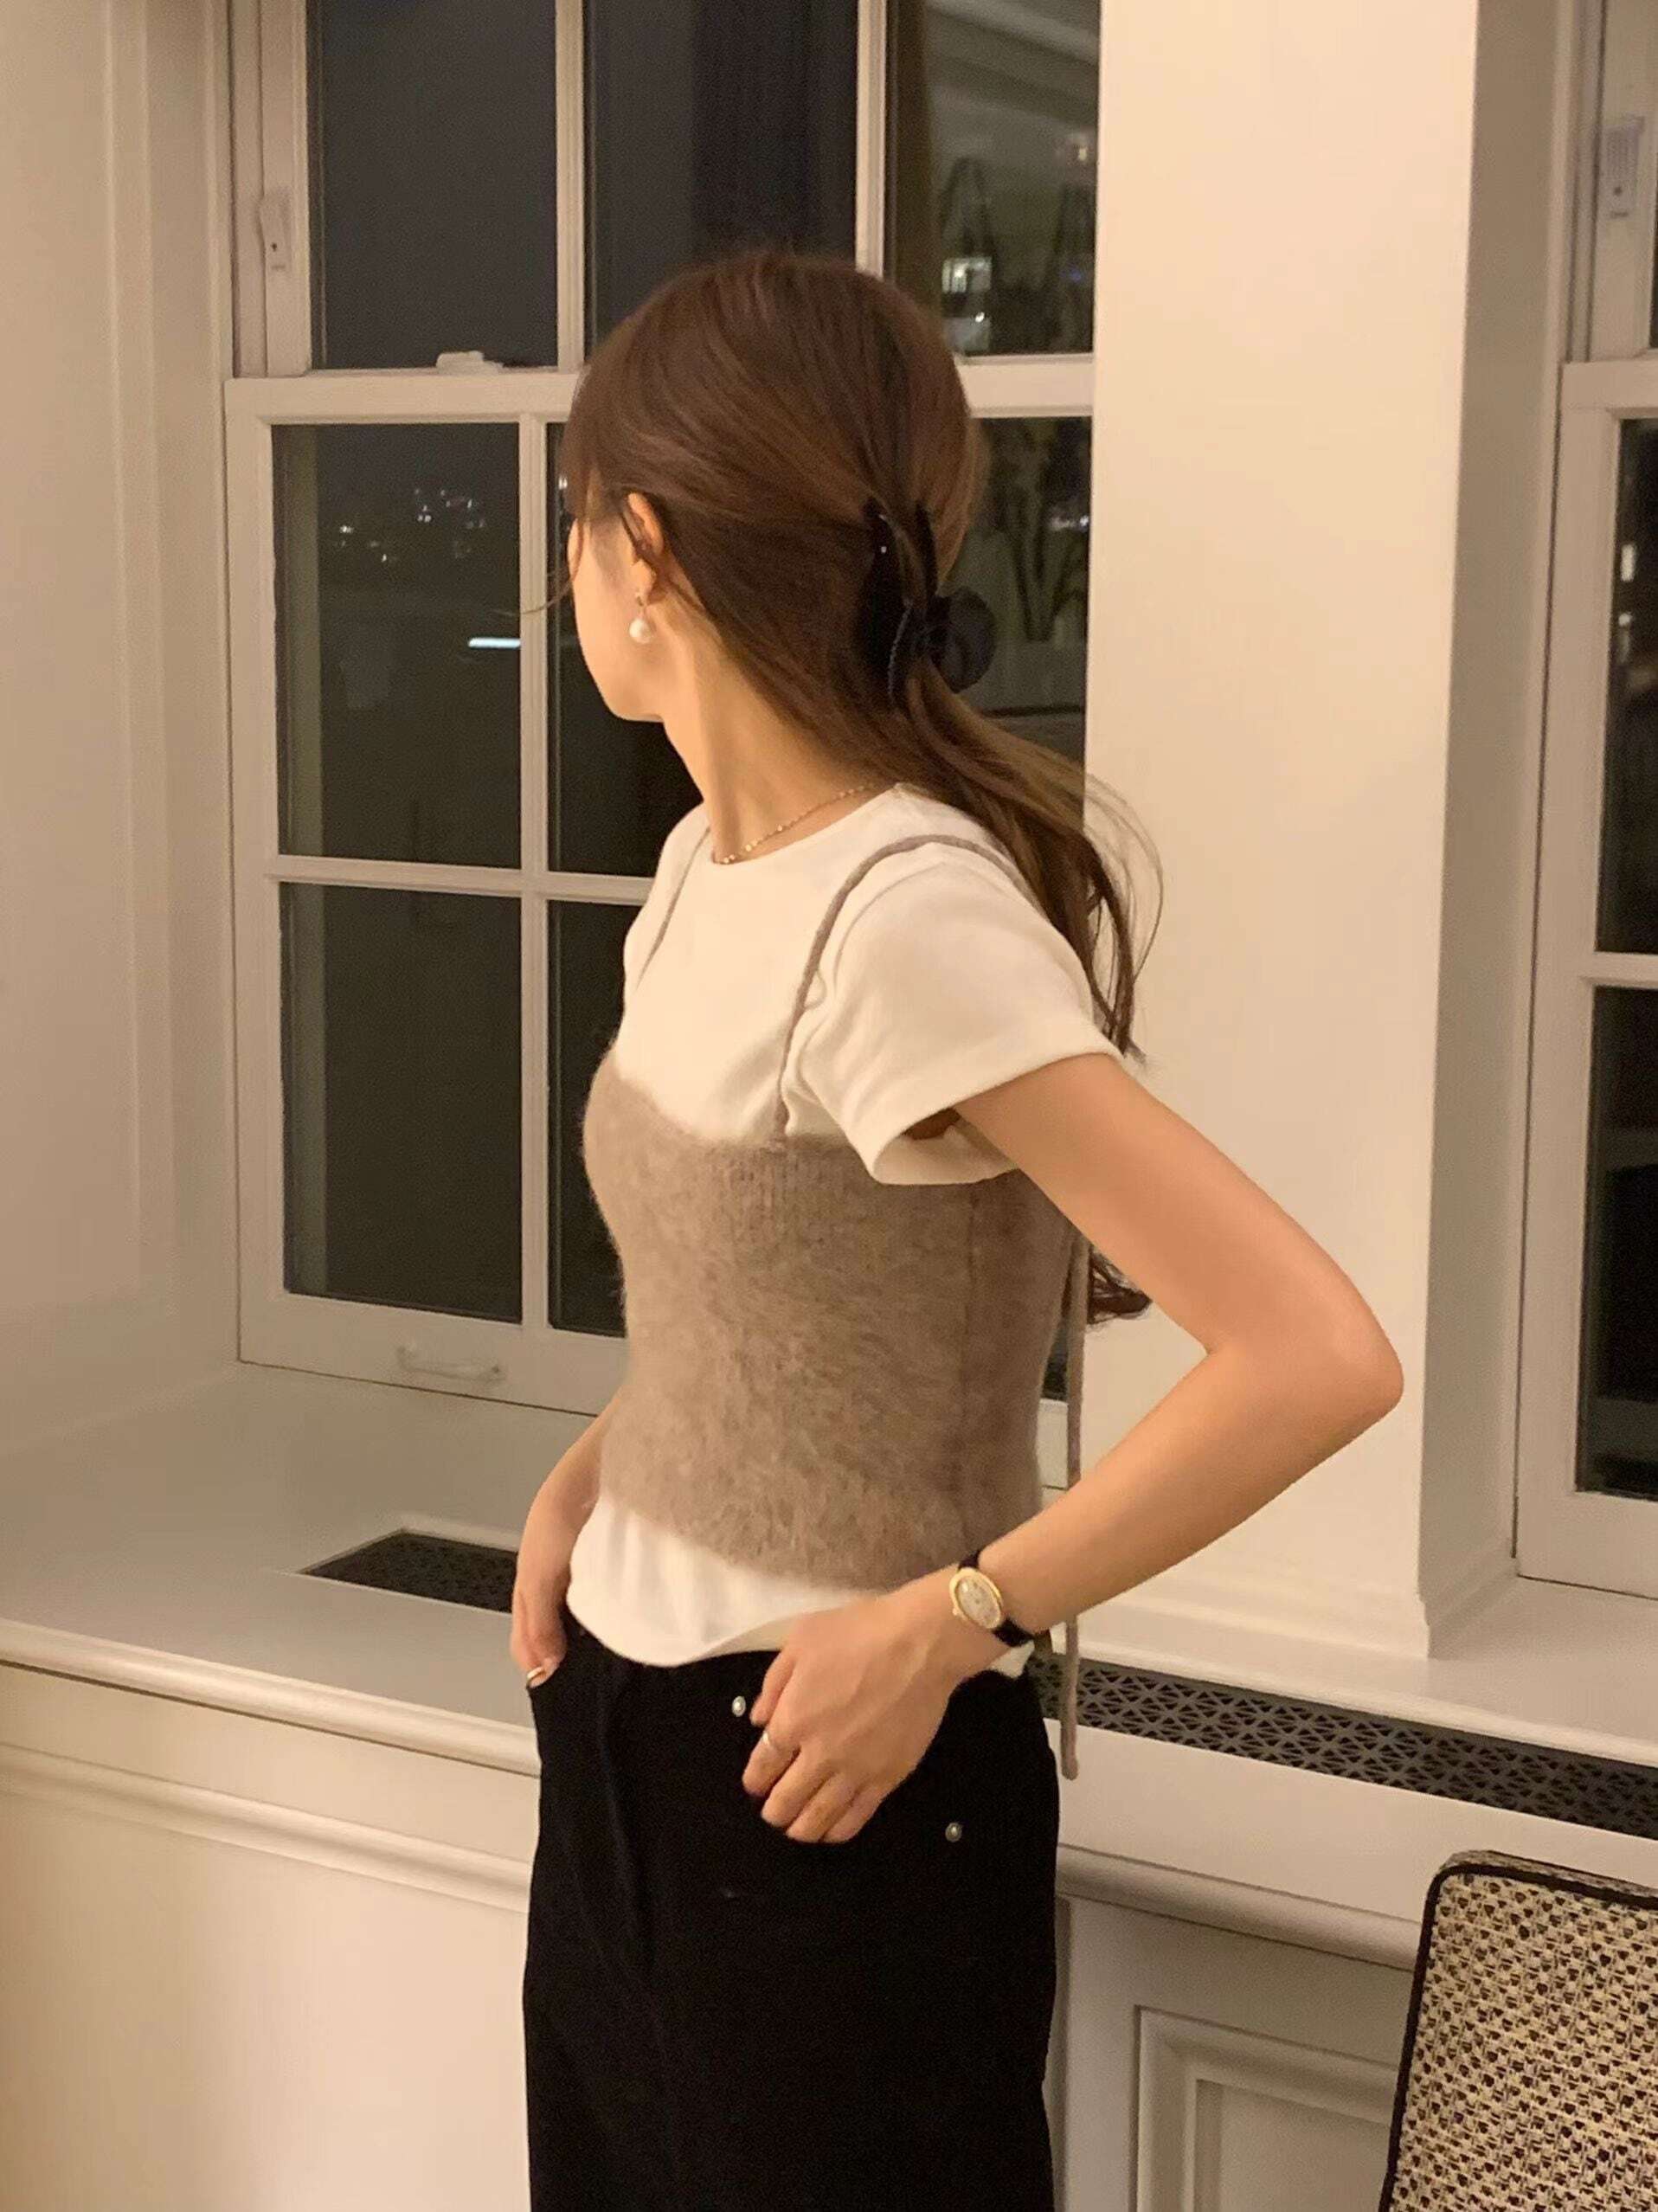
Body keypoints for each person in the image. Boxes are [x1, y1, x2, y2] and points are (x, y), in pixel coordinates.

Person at [511, 245, 1403, 2212]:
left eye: (571, 525)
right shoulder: (702, 870)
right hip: (626, 1763)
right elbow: (781, 1288)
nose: (566, 572)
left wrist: (957, 1621)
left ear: (640, 548)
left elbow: (1316, 1355)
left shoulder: (904, 914)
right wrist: (604, 1469)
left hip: (829, 1794)